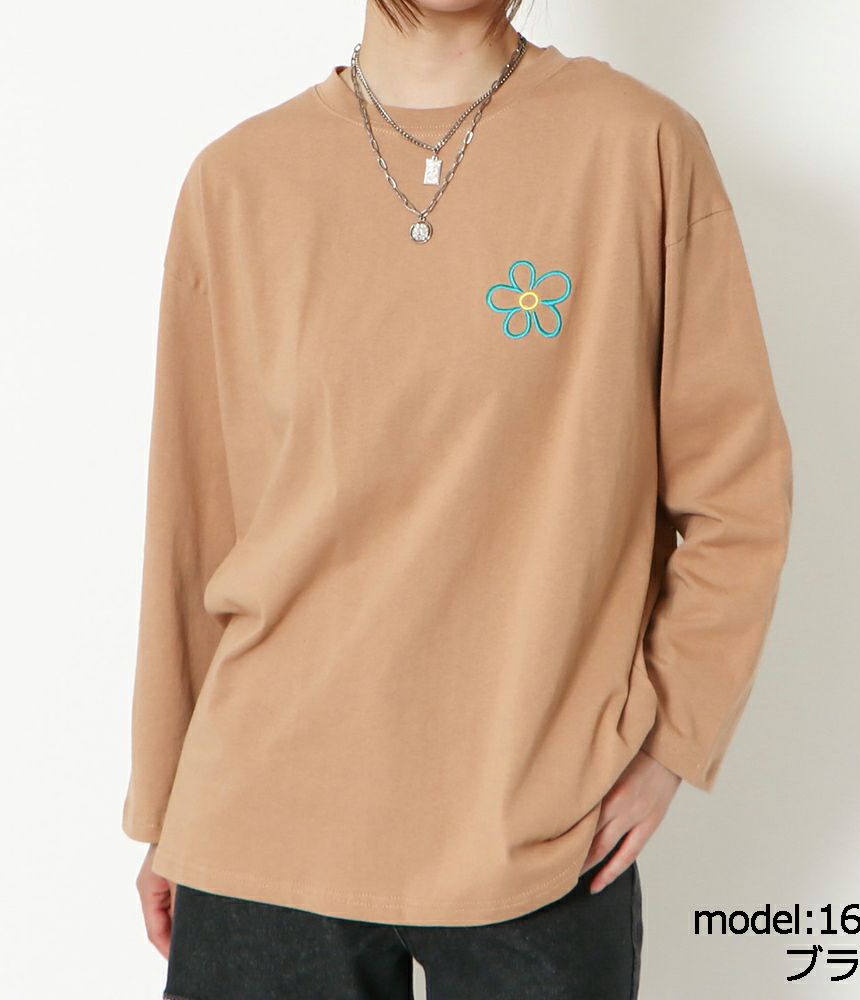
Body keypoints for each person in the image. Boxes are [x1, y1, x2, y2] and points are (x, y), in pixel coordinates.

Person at [122, 0, 794, 996]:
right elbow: (194, 521)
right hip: (260, 823)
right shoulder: (239, 180)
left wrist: (672, 740)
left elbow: (738, 490)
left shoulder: (638, 148)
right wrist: (166, 805)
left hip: (542, 828)